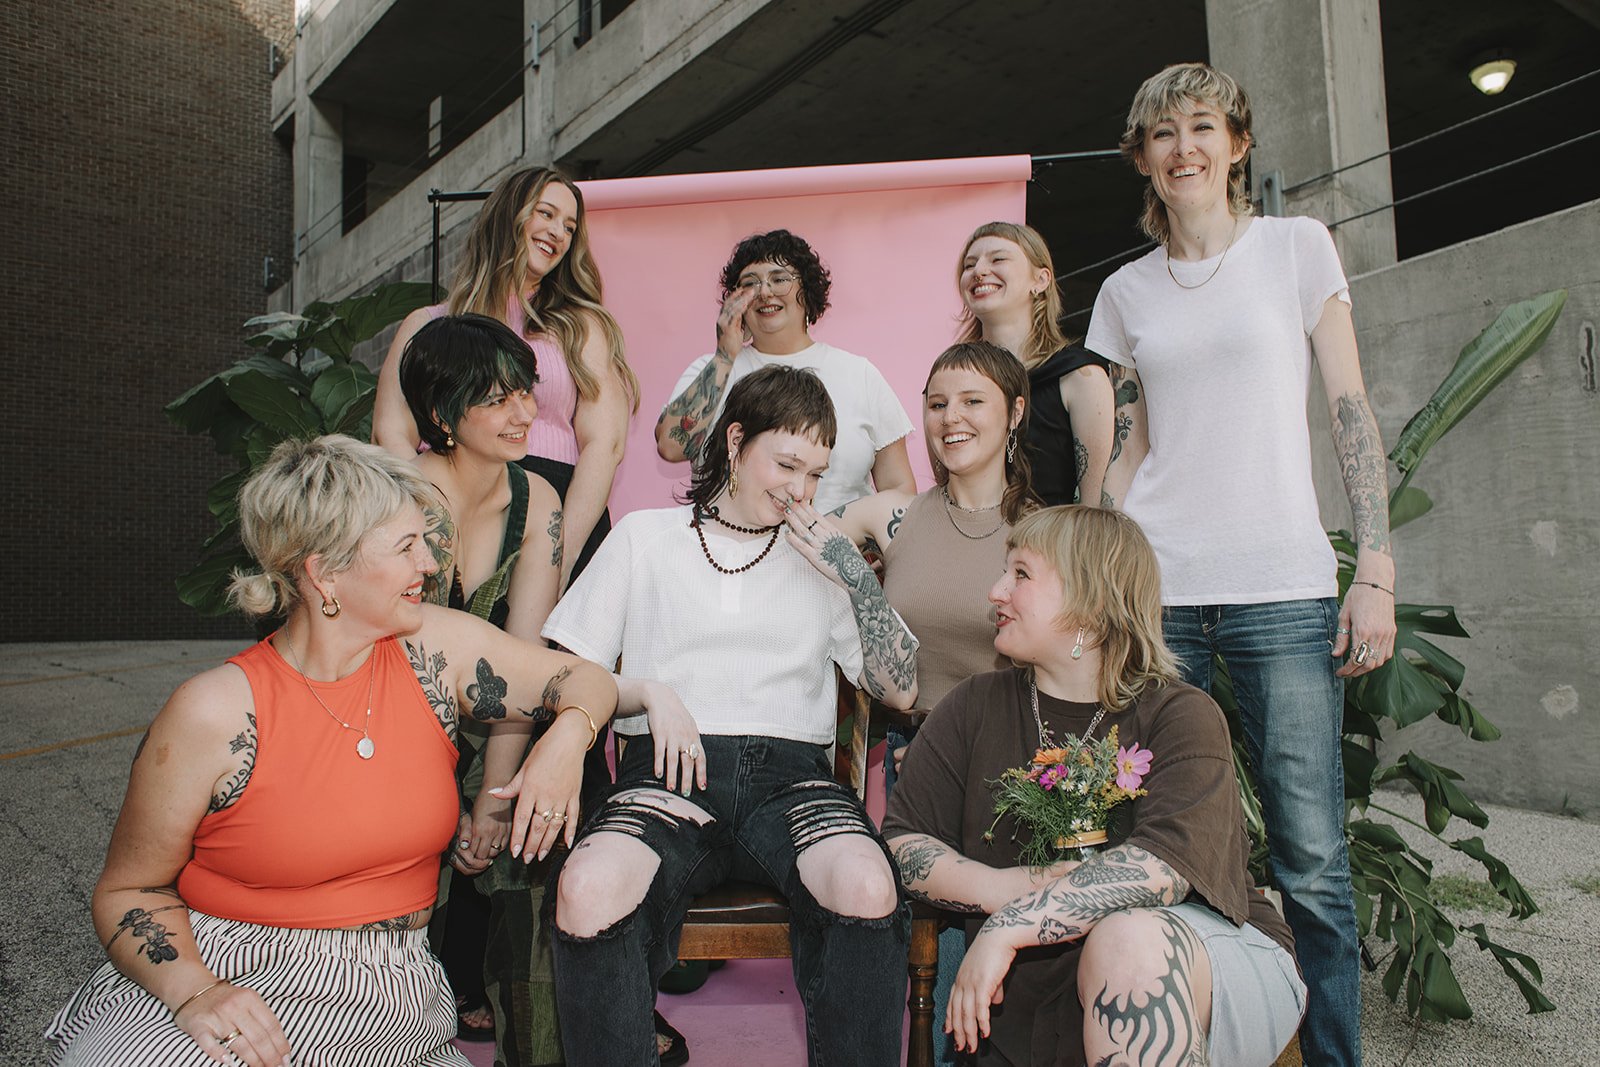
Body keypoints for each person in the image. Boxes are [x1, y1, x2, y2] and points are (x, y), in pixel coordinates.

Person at [45, 435, 617, 1067]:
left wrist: (566, 738)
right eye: (406, 546)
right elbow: (129, 891)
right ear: (325, 572)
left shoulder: (435, 649)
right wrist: (198, 994)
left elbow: (583, 679)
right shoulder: (214, 711)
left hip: (394, 991)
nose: (430, 564)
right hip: (227, 975)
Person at [1087, 62, 1397, 1066]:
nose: (1184, 147)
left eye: (1201, 127)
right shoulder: (1125, 291)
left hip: (1281, 588)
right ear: (1141, 158)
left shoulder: (1297, 249)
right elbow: (1127, 449)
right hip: (1160, 597)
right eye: (1162, 133)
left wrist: (1377, 566)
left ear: (1237, 143)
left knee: (1311, 857)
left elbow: (1349, 406)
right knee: (1143, 837)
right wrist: (1098, 573)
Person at [545, 364, 918, 1066]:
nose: (802, 490)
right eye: (787, 464)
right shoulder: (646, 537)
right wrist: (644, 692)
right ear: (737, 440)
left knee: (869, 885)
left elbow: (900, 689)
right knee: (586, 887)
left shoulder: (822, 556)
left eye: (817, 472)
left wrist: (857, 575)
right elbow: (567, 669)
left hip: (793, 783)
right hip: (666, 776)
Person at [885, 506, 1305, 1067]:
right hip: (1031, 1009)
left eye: (1021, 574)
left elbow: (1163, 867)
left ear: (1091, 603)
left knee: (1125, 942)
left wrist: (1011, 925)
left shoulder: (1180, 714)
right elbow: (903, 843)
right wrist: (1001, 889)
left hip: (1202, 964)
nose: (995, 592)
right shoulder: (973, 706)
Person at [826, 339, 1038, 1065]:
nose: (951, 418)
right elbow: (800, 531)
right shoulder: (891, 516)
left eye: (972, 401)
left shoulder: (1047, 529)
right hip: (922, 758)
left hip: (1024, 768)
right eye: (938, 402)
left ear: (1015, 412)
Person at [399, 313, 570, 1061]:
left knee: (534, 839)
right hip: (388, 726)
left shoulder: (539, 501)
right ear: (442, 414)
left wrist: (492, 802)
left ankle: (533, 1048)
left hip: (491, 719)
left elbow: (525, 660)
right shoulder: (393, 495)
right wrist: (442, 800)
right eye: (498, 398)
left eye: (526, 392)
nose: (525, 412)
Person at [373, 165, 639, 588]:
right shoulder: (426, 324)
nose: (558, 233)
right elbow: (391, 434)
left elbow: (604, 445)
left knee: (553, 655)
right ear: (508, 215)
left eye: (570, 227)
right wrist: (437, 525)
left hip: (559, 504)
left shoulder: (580, 326)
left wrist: (559, 552)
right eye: (546, 214)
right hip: (450, 505)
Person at [654, 228, 915, 511]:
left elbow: (899, 488)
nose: (765, 292)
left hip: (839, 547)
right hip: (726, 549)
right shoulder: (711, 369)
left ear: (809, 290)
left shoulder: (860, 374)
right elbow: (671, 446)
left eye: (779, 279)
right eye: (750, 284)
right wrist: (725, 354)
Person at [956, 221, 1114, 507]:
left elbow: (1093, 503)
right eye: (969, 265)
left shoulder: (1079, 375)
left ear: (1040, 281)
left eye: (998, 259)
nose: (978, 271)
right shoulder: (952, 381)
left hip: (1053, 546)